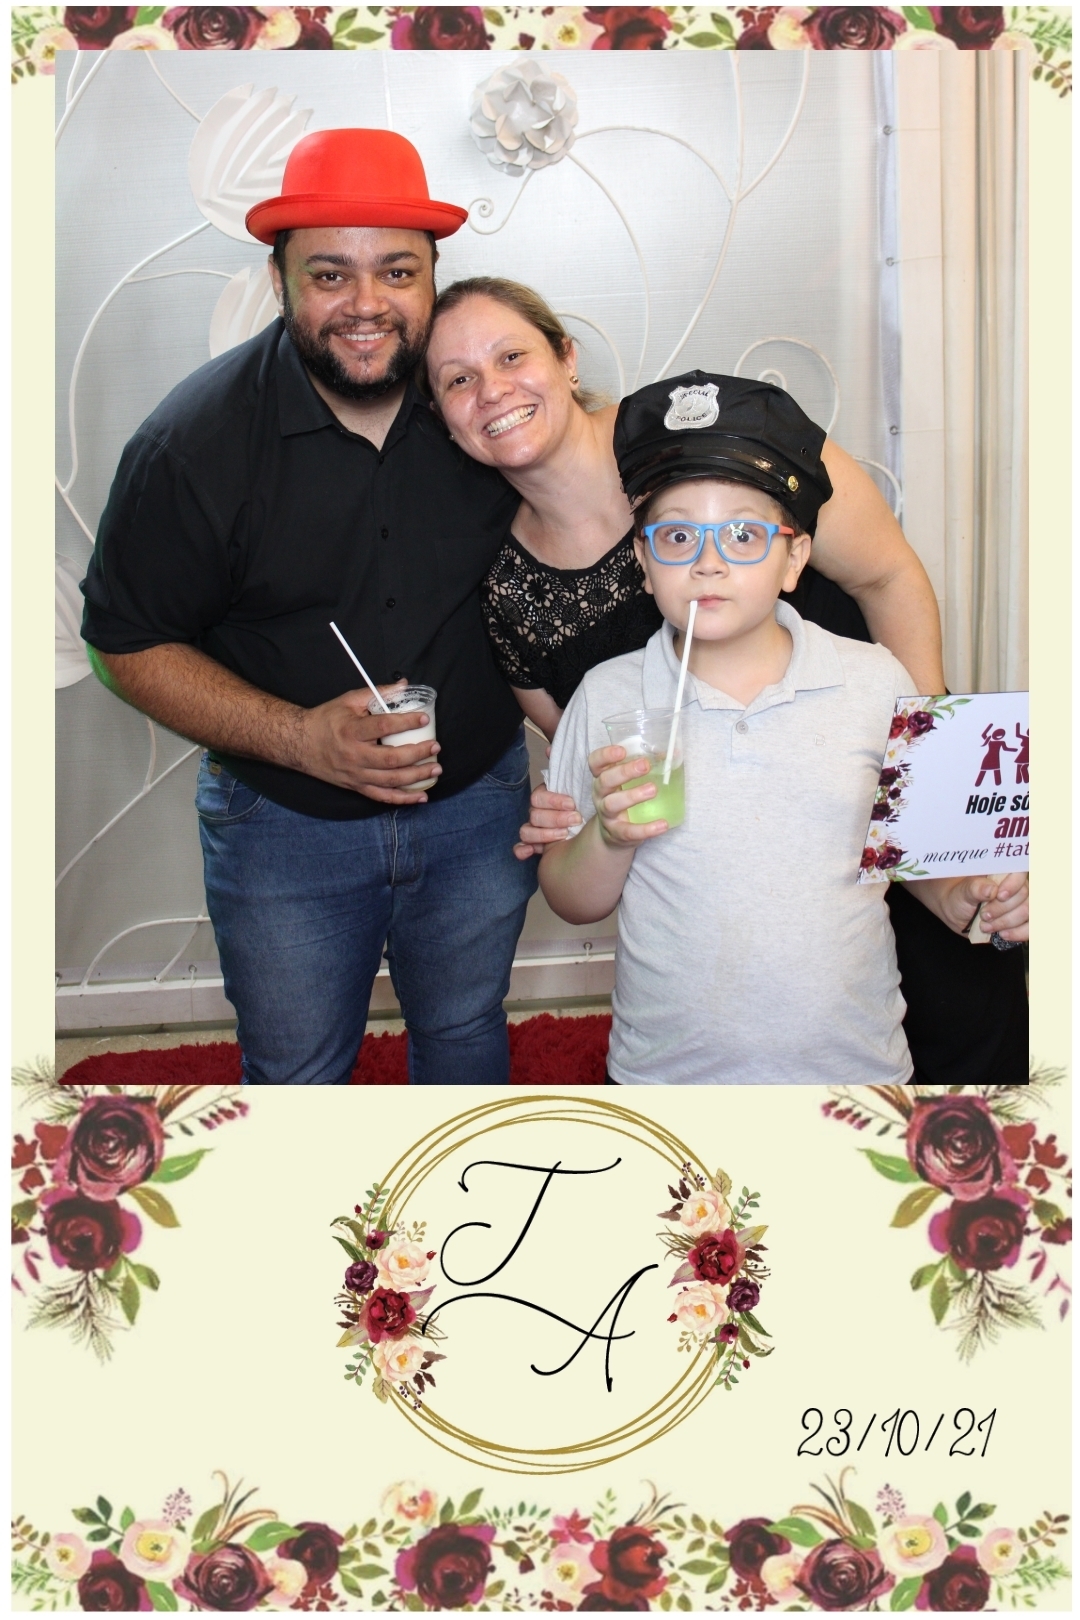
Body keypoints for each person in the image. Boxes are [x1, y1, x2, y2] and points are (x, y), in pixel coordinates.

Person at [424, 281, 1029, 1082]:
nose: (493, 389)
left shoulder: (715, 426)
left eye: (511, 355)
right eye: (458, 378)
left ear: (566, 358)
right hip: (684, 1015)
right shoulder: (517, 595)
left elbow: (888, 576)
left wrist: (933, 786)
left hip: (846, 788)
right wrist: (590, 823)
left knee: (962, 1019)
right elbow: (586, 802)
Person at [80, 129, 535, 1086]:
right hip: (283, 823)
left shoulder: (487, 410)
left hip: (478, 806)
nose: (367, 304)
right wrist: (297, 737)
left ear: (433, 277)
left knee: (465, 1034)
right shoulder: (191, 445)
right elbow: (124, 644)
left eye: (397, 272)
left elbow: (609, 482)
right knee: (295, 1076)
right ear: (278, 278)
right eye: (330, 274)